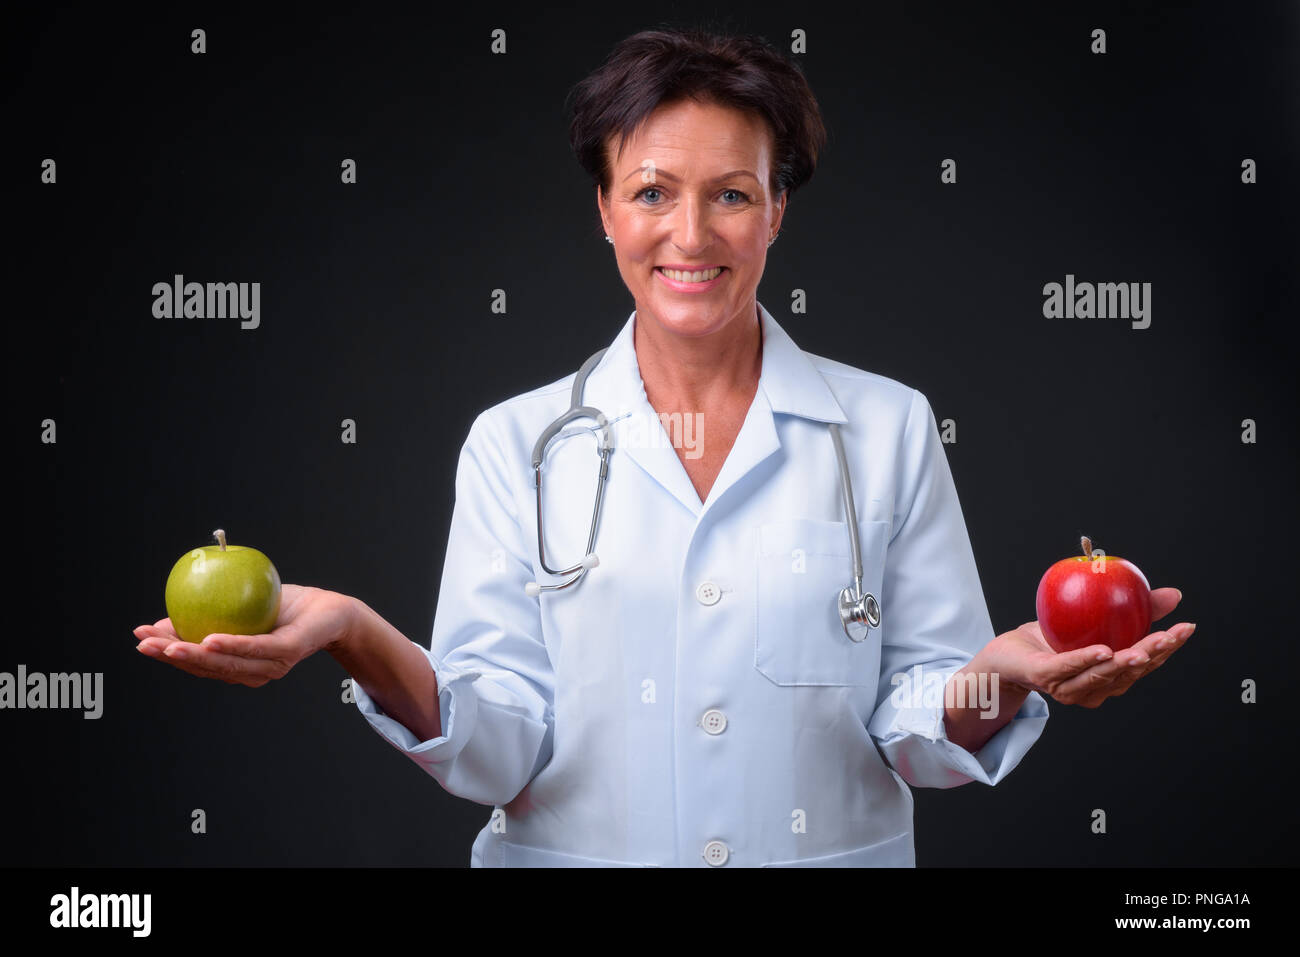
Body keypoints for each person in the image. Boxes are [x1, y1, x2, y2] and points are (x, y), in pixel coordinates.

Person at [134, 27, 1193, 867]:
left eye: (732, 193)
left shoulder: (886, 427)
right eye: (651, 192)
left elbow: (917, 727)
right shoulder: (518, 443)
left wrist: (1003, 678)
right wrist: (356, 633)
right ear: (604, 209)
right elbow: (500, 743)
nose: (691, 237)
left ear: (777, 210)